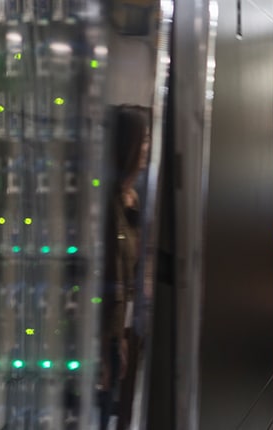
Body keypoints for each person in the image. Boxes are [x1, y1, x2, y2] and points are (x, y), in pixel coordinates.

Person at [99, 105, 150, 430]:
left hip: (128, 327)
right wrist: (108, 343)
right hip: (108, 333)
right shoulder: (104, 204)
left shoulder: (130, 198)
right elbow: (107, 280)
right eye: (142, 140)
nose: (147, 148)